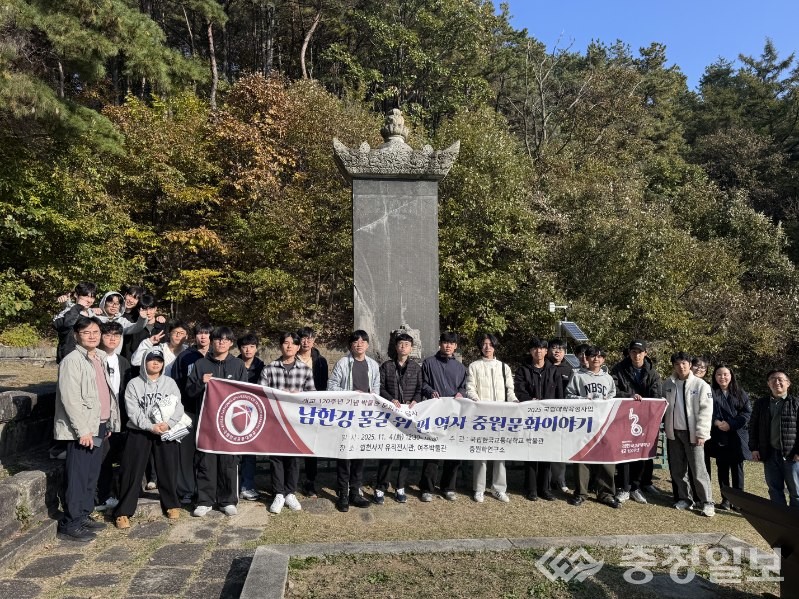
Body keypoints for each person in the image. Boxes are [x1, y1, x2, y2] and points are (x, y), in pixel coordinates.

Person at [54, 316, 120, 541]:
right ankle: (70, 522)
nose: (92, 336)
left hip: (99, 424)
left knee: (92, 474)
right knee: (78, 476)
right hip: (82, 429)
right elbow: (70, 399)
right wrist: (82, 430)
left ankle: (83, 514)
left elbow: (104, 392)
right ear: (76, 336)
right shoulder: (72, 361)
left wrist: (107, 421)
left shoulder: (99, 357)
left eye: (95, 332)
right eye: (86, 333)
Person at [113, 349, 184, 529]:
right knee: (131, 470)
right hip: (139, 431)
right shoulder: (134, 384)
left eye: (159, 360)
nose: (155, 363)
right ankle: (123, 511)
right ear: (144, 362)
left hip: (165, 430)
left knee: (168, 468)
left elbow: (178, 406)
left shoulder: (170, 383)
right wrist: (150, 426)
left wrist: (168, 424)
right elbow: (133, 411)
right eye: (151, 360)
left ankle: (172, 504)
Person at [186, 326, 248, 517]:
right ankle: (205, 500)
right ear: (212, 342)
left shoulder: (238, 365)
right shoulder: (200, 365)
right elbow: (188, 392)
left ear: (230, 343)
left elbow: (245, 394)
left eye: (225, 339)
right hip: (207, 423)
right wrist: (201, 383)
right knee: (206, 461)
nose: (221, 342)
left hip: (231, 424)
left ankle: (228, 500)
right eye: (217, 339)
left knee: (229, 462)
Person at [260, 332, 316, 514]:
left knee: (293, 458)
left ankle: (290, 492)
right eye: (285, 343)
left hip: (295, 422)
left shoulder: (305, 370)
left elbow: (311, 396)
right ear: (280, 346)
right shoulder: (269, 369)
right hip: (275, 421)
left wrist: (296, 396)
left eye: (293, 344)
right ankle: (278, 493)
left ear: (299, 347)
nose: (289, 346)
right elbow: (261, 395)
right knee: (276, 458)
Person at [327, 330, 380, 512]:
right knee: (344, 455)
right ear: (351, 344)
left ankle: (355, 492)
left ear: (367, 344)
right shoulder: (343, 362)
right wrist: (350, 395)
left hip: (364, 417)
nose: (359, 344)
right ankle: (342, 493)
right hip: (346, 416)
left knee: (359, 455)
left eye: (363, 341)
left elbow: (377, 389)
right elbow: (331, 386)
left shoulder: (373, 365)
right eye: (356, 341)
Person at [566, 346, 620, 509]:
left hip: (603, 423)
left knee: (606, 458)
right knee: (582, 457)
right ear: (586, 358)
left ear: (603, 359)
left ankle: (606, 493)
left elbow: (612, 396)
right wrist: (584, 399)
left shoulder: (608, 378)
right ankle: (581, 493)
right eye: (592, 356)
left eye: (599, 356)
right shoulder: (578, 376)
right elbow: (568, 395)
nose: (596, 359)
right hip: (584, 422)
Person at [466, 333, 517, 503]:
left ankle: (498, 489)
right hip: (481, 415)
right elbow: (470, 388)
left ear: (495, 346)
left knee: (499, 453)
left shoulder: (504, 367)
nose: (487, 347)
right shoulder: (474, 366)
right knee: (481, 453)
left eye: (490, 344)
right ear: (480, 347)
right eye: (484, 344)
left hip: (500, 416)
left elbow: (510, 390)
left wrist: (515, 402)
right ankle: (479, 489)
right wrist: (478, 402)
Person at [663, 351, 715, 517]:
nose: (681, 366)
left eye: (684, 363)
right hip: (674, 432)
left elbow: (706, 411)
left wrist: (701, 433)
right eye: (677, 364)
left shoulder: (700, 385)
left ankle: (707, 502)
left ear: (690, 364)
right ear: (674, 366)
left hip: (693, 434)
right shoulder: (668, 384)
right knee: (678, 469)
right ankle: (686, 499)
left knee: (699, 469)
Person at [611, 340, 663, 504]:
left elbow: (656, 394)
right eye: (633, 351)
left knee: (641, 452)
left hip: (645, 419)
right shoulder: (618, 369)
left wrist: (646, 404)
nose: (636, 355)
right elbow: (613, 391)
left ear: (645, 353)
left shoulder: (652, 372)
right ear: (629, 353)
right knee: (625, 451)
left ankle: (636, 486)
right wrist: (629, 397)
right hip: (623, 417)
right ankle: (624, 488)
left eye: (640, 351)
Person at [419, 331, 468, 502]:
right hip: (435, 414)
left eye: (451, 343)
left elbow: (464, 386)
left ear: (455, 346)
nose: (448, 346)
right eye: (445, 342)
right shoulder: (429, 363)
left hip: (454, 415)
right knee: (433, 452)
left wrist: (461, 393)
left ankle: (449, 487)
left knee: (453, 452)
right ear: (440, 344)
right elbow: (422, 383)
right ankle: (427, 488)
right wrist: (430, 391)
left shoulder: (461, 368)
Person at [375, 332, 422, 504]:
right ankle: (381, 486)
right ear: (396, 347)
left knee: (405, 453)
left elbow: (419, 388)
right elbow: (380, 387)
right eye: (400, 344)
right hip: (390, 416)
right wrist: (390, 399)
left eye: (406, 344)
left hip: (407, 417)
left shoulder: (416, 368)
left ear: (411, 348)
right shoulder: (387, 366)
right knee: (387, 452)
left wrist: (415, 400)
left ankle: (400, 487)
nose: (403, 347)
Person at [171, 322, 213, 504]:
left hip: (212, 412)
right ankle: (186, 489)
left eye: (206, 333)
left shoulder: (218, 356)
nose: (203, 337)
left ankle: (208, 487)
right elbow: (176, 383)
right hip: (188, 410)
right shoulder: (185, 357)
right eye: (199, 333)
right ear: (194, 336)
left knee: (207, 452)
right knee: (186, 452)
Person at [514, 337, 560, 501]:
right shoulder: (523, 370)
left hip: (549, 419)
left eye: (541, 348)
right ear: (530, 351)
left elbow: (559, 395)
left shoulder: (554, 370)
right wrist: (529, 401)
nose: (538, 351)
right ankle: (531, 489)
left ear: (546, 351)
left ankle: (544, 488)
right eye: (535, 348)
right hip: (530, 417)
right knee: (531, 452)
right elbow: (519, 390)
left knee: (546, 453)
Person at [95, 321, 131, 513]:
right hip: (101, 418)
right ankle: (101, 496)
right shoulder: (95, 359)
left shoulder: (123, 361)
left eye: (116, 336)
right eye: (108, 335)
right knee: (102, 459)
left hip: (121, 418)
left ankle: (117, 495)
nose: (112, 339)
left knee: (121, 458)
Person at [749, 370, 799, 508]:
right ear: (768, 384)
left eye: (780, 379)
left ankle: (795, 522)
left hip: (791, 455)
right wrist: (754, 448)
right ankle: (781, 521)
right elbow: (753, 427)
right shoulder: (761, 403)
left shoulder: (795, 403)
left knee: (796, 491)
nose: (777, 382)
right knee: (774, 490)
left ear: (788, 383)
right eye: (773, 379)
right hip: (769, 454)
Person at [706, 364, 751, 511]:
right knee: (722, 468)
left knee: (737, 469)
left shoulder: (740, 393)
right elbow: (706, 410)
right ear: (715, 377)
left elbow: (746, 413)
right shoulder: (711, 393)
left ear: (731, 375)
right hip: (719, 435)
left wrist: (730, 424)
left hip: (737, 435)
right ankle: (726, 499)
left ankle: (739, 501)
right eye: (719, 374)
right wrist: (717, 422)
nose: (722, 377)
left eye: (725, 374)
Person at [296, 327, 328, 498]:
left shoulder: (320, 361)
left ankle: (310, 481)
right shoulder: (290, 358)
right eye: (303, 338)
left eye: (309, 338)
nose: (306, 341)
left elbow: (323, 386)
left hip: (313, 409)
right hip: (293, 408)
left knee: (311, 447)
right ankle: (288, 481)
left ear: (314, 340)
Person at [237, 332, 265, 501]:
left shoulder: (262, 366)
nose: (248, 350)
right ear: (239, 348)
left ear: (256, 348)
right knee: (233, 453)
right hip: (234, 413)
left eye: (252, 346)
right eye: (245, 346)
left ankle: (247, 485)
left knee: (250, 452)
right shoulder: (232, 364)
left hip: (254, 415)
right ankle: (232, 484)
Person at [547, 338, 573, 493]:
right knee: (546, 448)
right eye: (554, 348)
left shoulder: (570, 370)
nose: (557, 351)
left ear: (565, 352)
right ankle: (547, 480)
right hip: (545, 415)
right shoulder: (545, 366)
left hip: (563, 416)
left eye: (561, 349)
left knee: (561, 450)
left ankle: (560, 480)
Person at [53, 282, 99, 363]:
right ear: (76, 295)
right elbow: (67, 324)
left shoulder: (93, 316)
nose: (89, 300)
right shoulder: (67, 313)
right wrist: (78, 307)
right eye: (85, 296)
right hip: (69, 359)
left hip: (90, 359)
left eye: (92, 297)